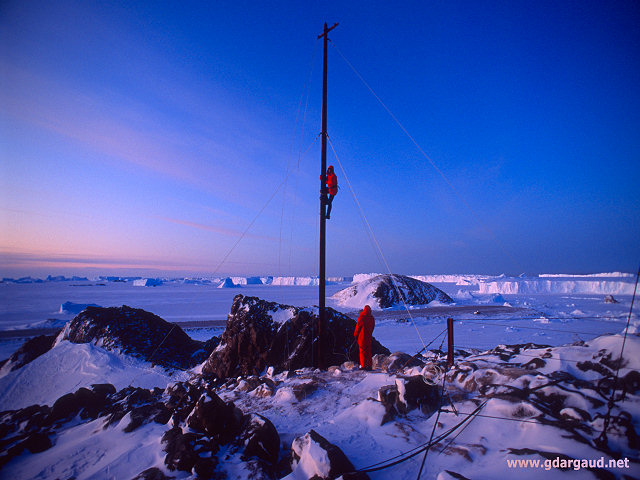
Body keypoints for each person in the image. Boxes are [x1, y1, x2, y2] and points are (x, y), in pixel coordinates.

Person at [354, 305, 375, 370]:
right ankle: (369, 365)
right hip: (368, 337)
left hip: (362, 338)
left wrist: (355, 335)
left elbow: (358, 327)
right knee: (368, 351)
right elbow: (372, 327)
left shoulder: (362, 317)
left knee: (362, 351)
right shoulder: (372, 318)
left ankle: (363, 366)